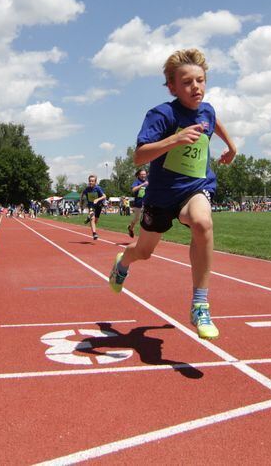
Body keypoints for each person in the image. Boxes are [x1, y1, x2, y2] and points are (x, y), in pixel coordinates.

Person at [108, 48, 236, 339]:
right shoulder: (161, 114)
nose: (196, 88)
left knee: (203, 223)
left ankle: (200, 304)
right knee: (144, 251)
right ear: (172, 86)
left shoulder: (207, 109)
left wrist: (231, 145)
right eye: (188, 82)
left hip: (196, 186)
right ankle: (123, 263)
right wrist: (175, 139)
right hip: (162, 195)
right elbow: (139, 156)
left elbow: (213, 123)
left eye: (201, 81)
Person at [81, 175, 107, 240]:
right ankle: (94, 234)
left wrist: (97, 199)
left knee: (95, 221)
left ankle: (88, 218)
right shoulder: (87, 189)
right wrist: (81, 202)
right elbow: (82, 194)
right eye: (90, 181)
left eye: (92, 181)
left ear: (95, 182)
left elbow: (104, 196)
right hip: (91, 206)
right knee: (92, 218)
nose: (91, 182)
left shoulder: (98, 188)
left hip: (99, 206)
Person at [128, 168, 149, 239]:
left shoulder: (148, 181)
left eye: (144, 174)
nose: (143, 176)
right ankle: (130, 228)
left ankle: (144, 237)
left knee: (146, 219)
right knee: (137, 218)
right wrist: (142, 184)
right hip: (138, 204)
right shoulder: (137, 182)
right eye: (142, 174)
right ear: (139, 175)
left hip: (146, 204)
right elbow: (133, 190)